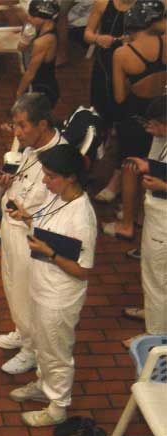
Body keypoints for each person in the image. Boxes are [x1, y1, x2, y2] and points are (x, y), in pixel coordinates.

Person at [7, 144, 98, 427]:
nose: (45, 181)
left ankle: (58, 407)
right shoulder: (58, 196)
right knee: (42, 345)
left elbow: (83, 271)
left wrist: (50, 253)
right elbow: (48, 229)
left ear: (71, 177)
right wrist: (27, 218)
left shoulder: (82, 219)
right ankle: (43, 385)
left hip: (59, 297)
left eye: (51, 176)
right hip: (41, 285)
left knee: (56, 353)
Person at [0, 93, 64, 375]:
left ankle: (32, 350)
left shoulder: (59, 157)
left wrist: (28, 216)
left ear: (42, 124)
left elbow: (57, 205)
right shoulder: (31, 146)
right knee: (13, 286)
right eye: (15, 125)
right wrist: (8, 181)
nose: (17, 132)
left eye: (22, 125)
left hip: (30, 233)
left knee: (26, 292)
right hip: (11, 225)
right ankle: (22, 332)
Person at [102, 0, 166, 240]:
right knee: (151, 162)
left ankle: (126, 224)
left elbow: (119, 96)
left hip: (135, 118)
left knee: (130, 167)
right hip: (160, 116)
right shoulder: (166, 42)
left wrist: (134, 83)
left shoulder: (122, 54)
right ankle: (140, 215)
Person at [121, 98, 167, 348]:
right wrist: (148, 165)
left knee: (157, 277)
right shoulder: (161, 137)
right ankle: (155, 314)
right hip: (157, 217)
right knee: (154, 275)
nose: (150, 129)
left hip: (164, 221)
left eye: (155, 125)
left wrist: (163, 186)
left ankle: (155, 336)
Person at [85, 0, 137, 129]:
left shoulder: (144, 6)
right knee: (100, 103)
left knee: (125, 105)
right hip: (104, 62)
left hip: (131, 61)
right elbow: (87, 34)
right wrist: (98, 38)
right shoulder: (102, 3)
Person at [16, 0, 60, 107]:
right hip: (43, 85)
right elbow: (21, 48)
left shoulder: (43, 41)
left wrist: (18, 94)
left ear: (45, 19)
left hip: (42, 91)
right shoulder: (45, 29)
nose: (29, 18)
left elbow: (30, 73)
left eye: (32, 16)